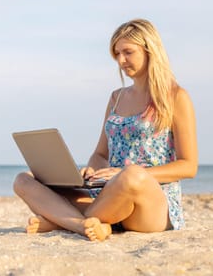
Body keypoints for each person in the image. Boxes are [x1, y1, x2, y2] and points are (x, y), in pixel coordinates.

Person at [13, 18, 198, 241]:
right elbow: (101, 154)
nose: (121, 60)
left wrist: (124, 173)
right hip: (108, 195)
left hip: (151, 203)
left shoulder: (176, 97)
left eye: (128, 52)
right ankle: (85, 225)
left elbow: (188, 166)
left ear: (150, 50)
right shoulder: (116, 98)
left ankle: (61, 221)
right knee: (24, 180)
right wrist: (91, 171)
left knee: (132, 175)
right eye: (116, 54)